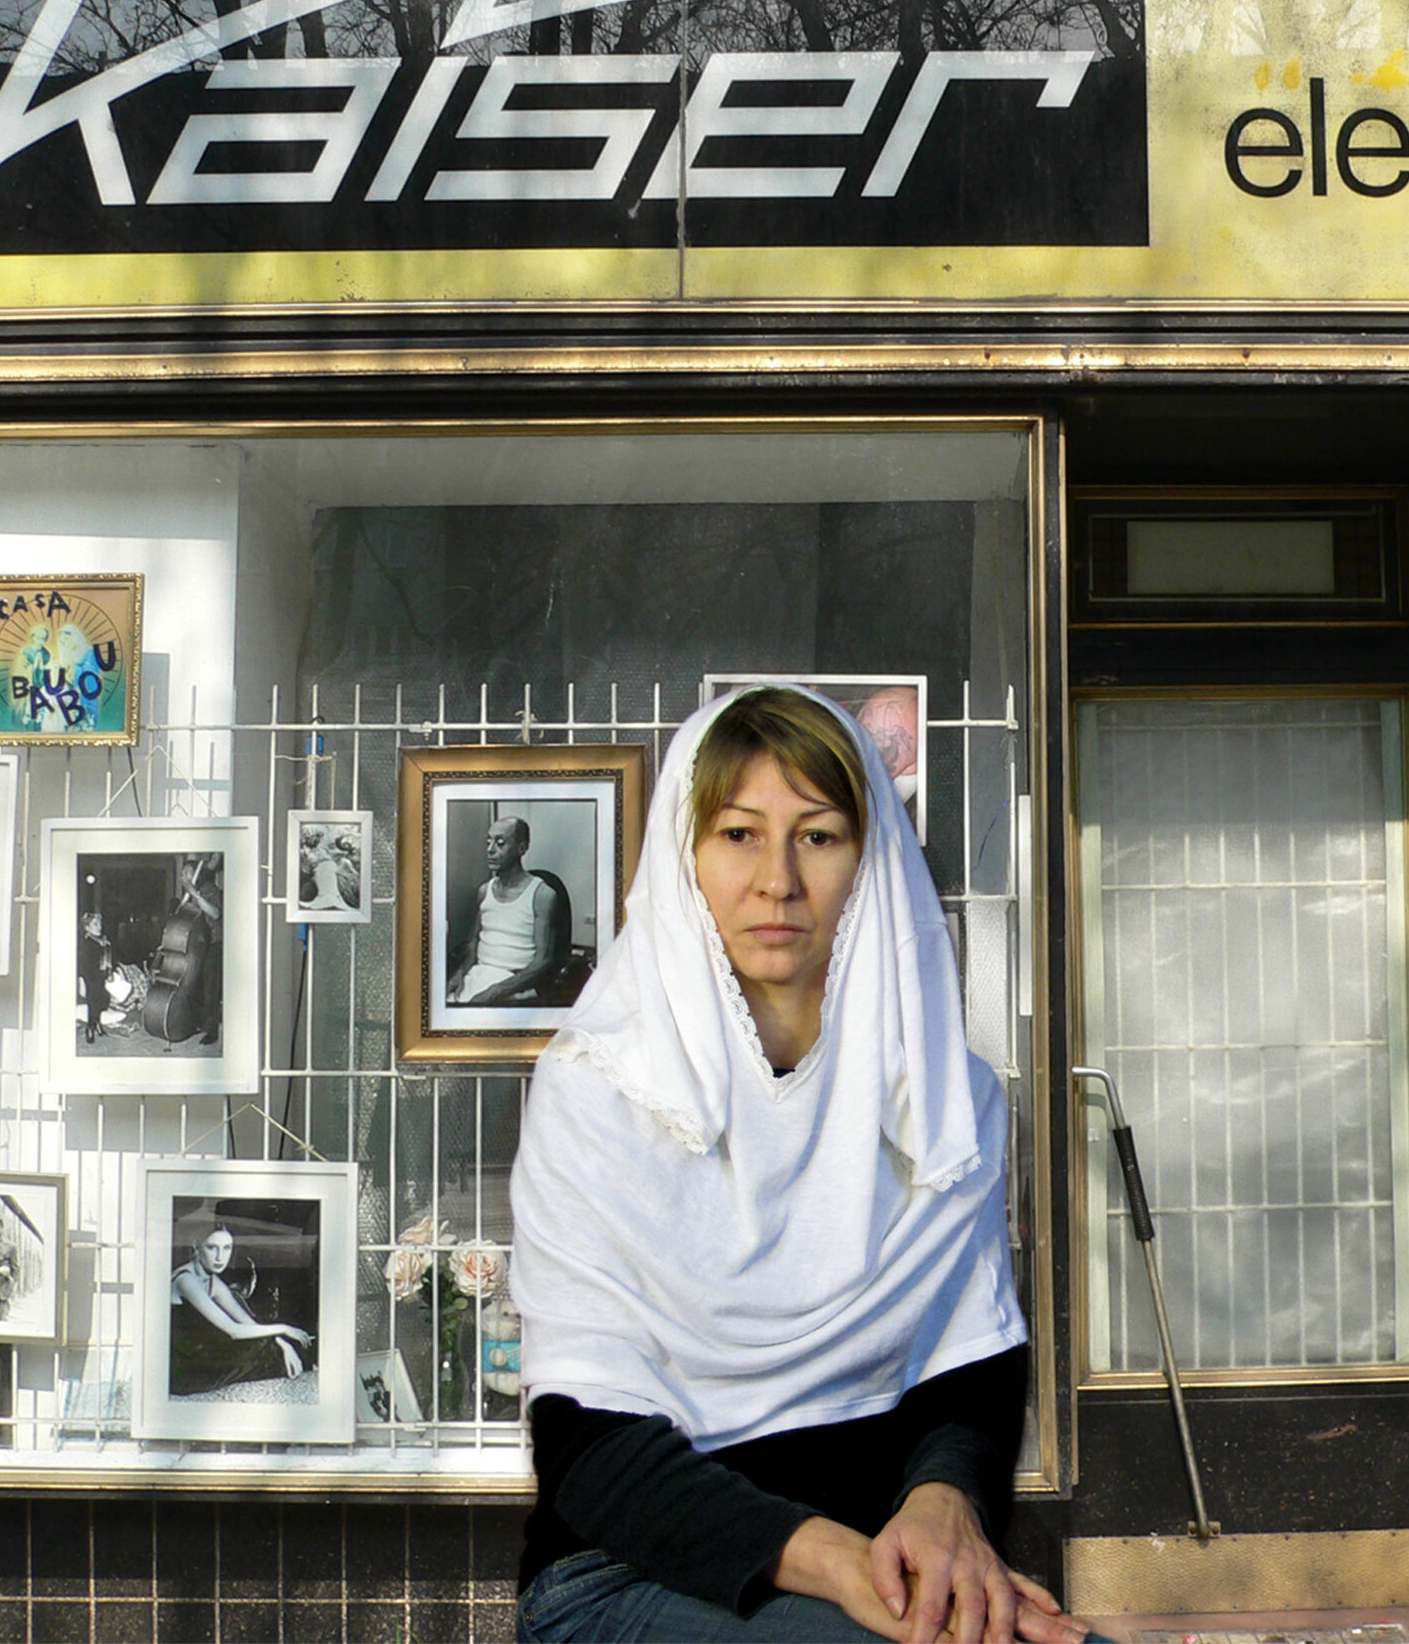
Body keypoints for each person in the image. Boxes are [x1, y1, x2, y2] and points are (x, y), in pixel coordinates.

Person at [511, 686, 1087, 1644]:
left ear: (872, 860)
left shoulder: (948, 1102)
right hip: (623, 1577)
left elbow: (970, 1357)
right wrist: (844, 1566)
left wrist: (944, 1503)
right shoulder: (596, 1095)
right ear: (683, 857)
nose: (777, 879)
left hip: (882, 1566)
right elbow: (589, 1446)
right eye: (738, 834)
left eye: (818, 836)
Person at [168, 1223, 315, 1395]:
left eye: (227, 1248)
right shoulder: (185, 1280)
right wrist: (283, 1328)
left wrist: (282, 1343)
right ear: (196, 1247)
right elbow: (233, 1331)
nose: (220, 1257)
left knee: (268, 1342)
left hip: (201, 1355)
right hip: (182, 1369)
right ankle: (301, 1361)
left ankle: (297, 1358)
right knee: (257, 1348)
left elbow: (248, 1322)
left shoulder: (213, 1281)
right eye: (212, 1248)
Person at [450, 817, 568, 1006]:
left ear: (522, 848)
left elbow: (544, 960)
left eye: (500, 843)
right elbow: (474, 941)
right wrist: (460, 974)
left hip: (514, 984)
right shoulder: (484, 891)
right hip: (477, 976)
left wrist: (495, 991)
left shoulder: (542, 895)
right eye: (488, 842)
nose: (490, 849)